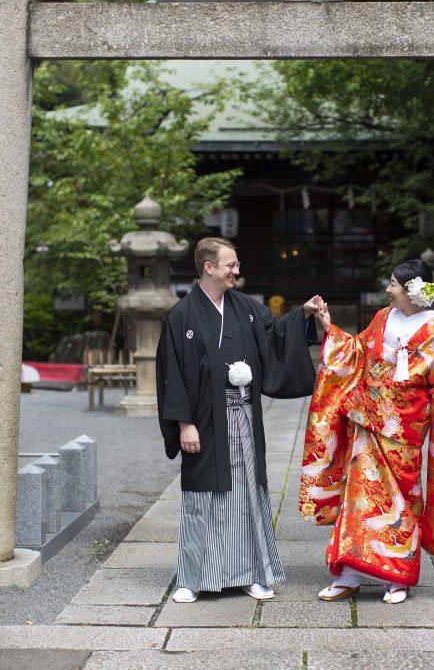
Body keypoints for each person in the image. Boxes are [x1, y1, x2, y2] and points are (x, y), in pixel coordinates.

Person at [299, 259, 434, 605]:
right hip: (368, 421)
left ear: (412, 290)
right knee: (359, 497)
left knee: (401, 502)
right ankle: (348, 573)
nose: (388, 289)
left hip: (406, 430)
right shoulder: (383, 318)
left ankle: (396, 577)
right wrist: (330, 328)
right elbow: (356, 352)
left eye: (394, 284)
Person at [156, 237, 323, 603]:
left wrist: (304, 314)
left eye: (236, 264)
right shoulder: (182, 315)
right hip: (203, 417)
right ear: (209, 267)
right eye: (230, 264)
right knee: (203, 497)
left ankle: (252, 573)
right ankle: (193, 577)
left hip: (243, 415)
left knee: (248, 490)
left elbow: (275, 335)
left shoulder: (246, 307)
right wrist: (184, 423)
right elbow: (173, 371)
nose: (237, 270)